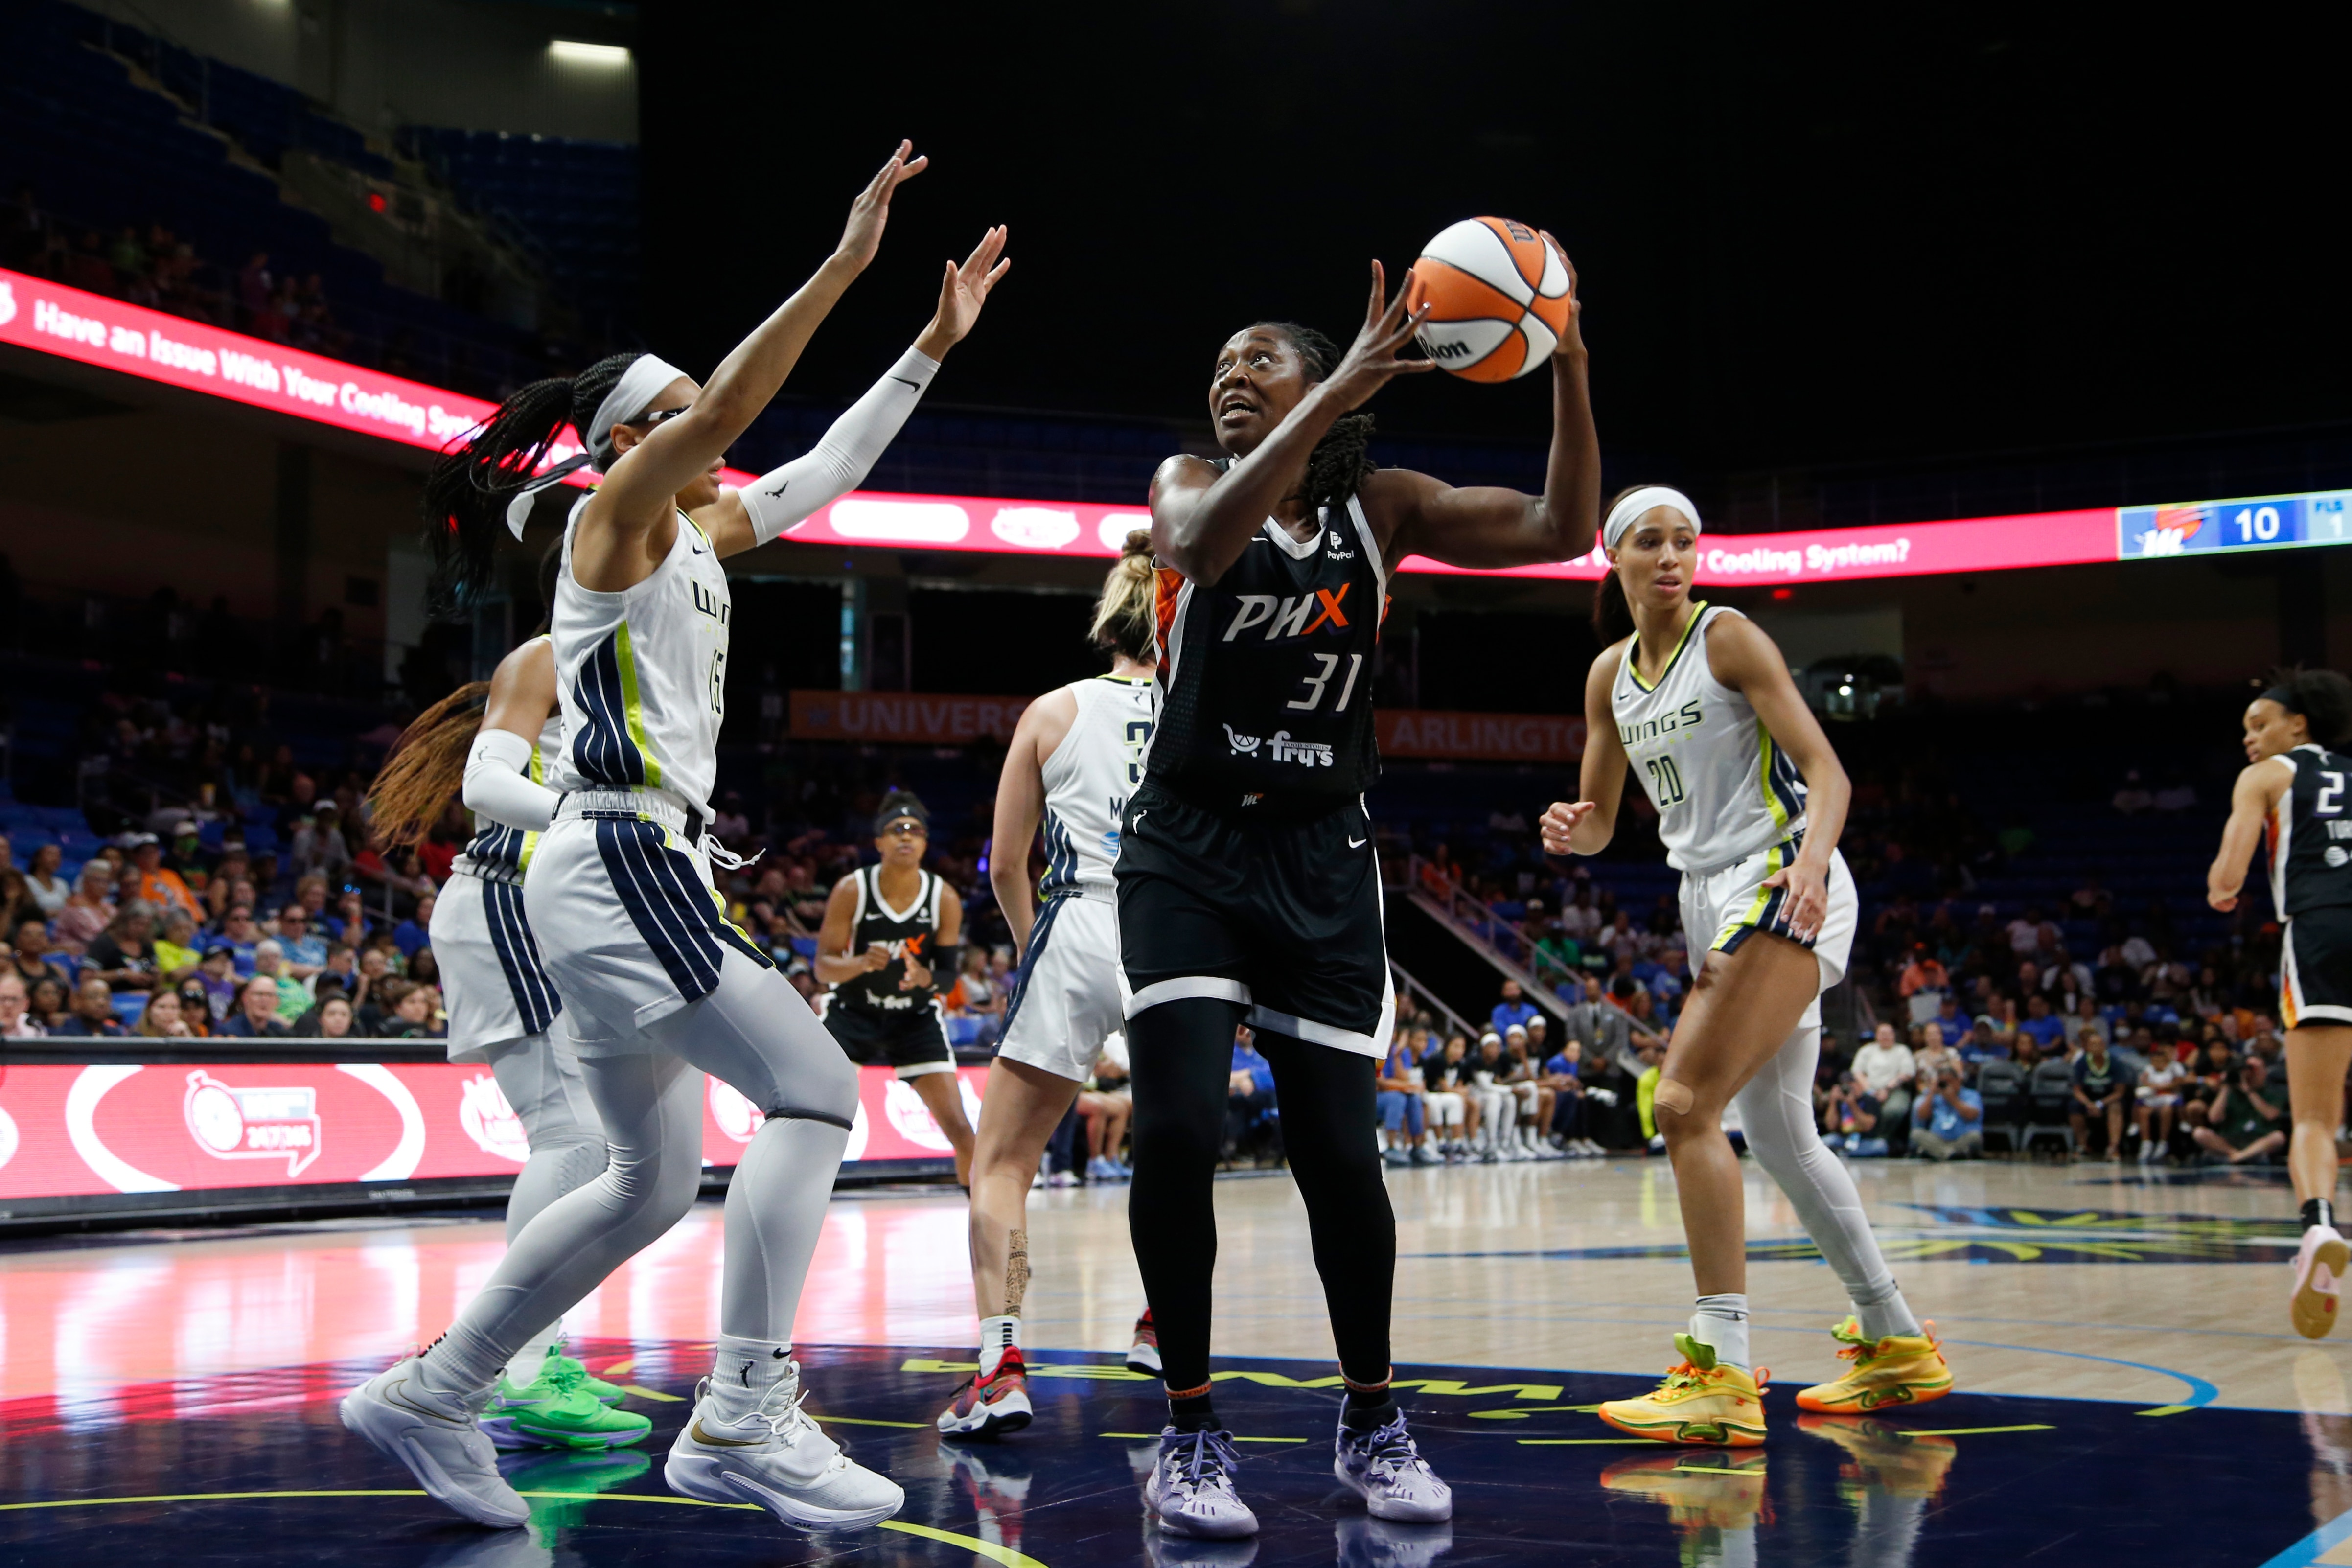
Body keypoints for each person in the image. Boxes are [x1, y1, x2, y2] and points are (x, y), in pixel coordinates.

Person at [340, 142, 1004, 1534]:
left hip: (618, 868)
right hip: (620, 853)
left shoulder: (694, 539)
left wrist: (928, 351)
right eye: (686, 410)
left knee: (648, 1182)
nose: (716, 423)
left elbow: (824, 463)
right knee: (817, 1088)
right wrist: (843, 264)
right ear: (630, 441)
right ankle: (745, 1407)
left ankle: (436, 1387)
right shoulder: (613, 519)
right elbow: (758, 399)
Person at [1123, 247, 1602, 1537]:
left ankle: (1371, 1414)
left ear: (1320, 374)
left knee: (1341, 1155)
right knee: (1173, 1129)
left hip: (1323, 856)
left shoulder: (1381, 508)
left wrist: (1566, 358)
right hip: (1186, 844)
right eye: (1221, 364)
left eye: (1255, 357)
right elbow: (1207, 550)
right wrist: (1325, 388)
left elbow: (1566, 531)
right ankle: (1187, 1431)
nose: (1231, 374)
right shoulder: (1186, 485)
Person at [1542, 486, 1951, 1449]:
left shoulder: (1727, 637)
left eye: (1687, 540)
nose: (1675, 555)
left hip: (1782, 874)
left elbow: (1829, 769)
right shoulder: (1611, 675)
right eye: (1653, 541)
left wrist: (1810, 867)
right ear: (1618, 559)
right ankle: (1895, 1337)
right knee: (1778, 1135)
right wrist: (1576, 829)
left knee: (1682, 1104)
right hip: (1705, 894)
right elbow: (1603, 821)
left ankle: (1720, 1363)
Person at [366, 611, 638, 1453]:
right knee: (574, 1138)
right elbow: (518, 796)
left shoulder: (632, 678)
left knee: (591, 1143)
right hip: (507, 902)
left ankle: (534, 1349)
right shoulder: (565, 658)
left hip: (547, 914)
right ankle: (518, 1360)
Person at [942, 539, 1163, 1438]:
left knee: (1001, 1164)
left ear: (1109, 618)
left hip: (1077, 920)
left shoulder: (1052, 709)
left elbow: (1004, 863)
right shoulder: (1205, 708)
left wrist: (1040, 948)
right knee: (1176, 1155)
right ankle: (1165, 1327)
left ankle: (1000, 1368)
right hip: (1173, 930)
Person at [2209, 669, 2352, 1337]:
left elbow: (2229, 876)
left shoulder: (2267, 777)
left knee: (2314, 1120)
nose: (2249, 738)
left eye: (2258, 723)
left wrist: (2221, 888)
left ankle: (2318, 1226)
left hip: (2321, 929)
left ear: (2298, 724)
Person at [815, 790, 975, 1185]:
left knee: (962, 1130)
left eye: (916, 831)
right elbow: (822, 968)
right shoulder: (852, 889)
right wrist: (860, 963)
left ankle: (984, 1231)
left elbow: (948, 978)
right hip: (852, 1013)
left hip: (915, 1019)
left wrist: (926, 978)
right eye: (897, 830)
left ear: (925, 843)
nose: (907, 837)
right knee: (813, 1123)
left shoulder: (944, 898)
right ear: (879, 842)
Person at [2192, 1053, 2290, 1167]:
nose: (2250, 1074)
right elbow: (2214, 1119)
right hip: (2230, 1140)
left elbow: (2271, 1115)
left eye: (2254, 1069)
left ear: (2264, 1072)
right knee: (2199, 1133)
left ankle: (2238, 1157)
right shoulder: (2231, 1092)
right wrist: (2226, 1087)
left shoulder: (2273, 1092)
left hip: (2259, 1140)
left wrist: (2248, 1091)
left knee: (2278, 1138)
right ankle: (2238, 1156)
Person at [2070, 1029, 2129, 1159]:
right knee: (2074, 1106)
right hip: (2089, 1100)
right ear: (2087, 1047)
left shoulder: (2115, 1063)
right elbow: (2077, 1090)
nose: (2095, 1047)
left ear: (2104, 1046)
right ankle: (2082, 1146)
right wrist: (2090, 1104)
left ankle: (2113, 1147)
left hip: (2108, 1099)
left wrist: (2100, 1104)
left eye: (2098, 1044)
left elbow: (2120, 1092)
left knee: (2116, 1106)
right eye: (2092, 1045)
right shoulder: (2082, 1063)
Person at [1911, 1068, 1983, 1161]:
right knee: (1916, 1134)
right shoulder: (1936, 1096)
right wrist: (1932, 1093)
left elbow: (1972, 1115)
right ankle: (1950, 1155)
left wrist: (1953, 1099)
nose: (1947, 1085)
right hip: (1938, 1141)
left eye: (1950, 1082)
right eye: (1943, 1082)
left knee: (1975, 1136)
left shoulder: (1971, 1095)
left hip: (1961, 1140)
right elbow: (1922, 1116)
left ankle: (1942, 1154)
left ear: (1958, 1081)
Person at [2137, 1041, 2187, 1163]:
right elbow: (2144, 1081)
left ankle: (2163, 1142)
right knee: (2143, 1111)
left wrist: (2161, 1087)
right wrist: (2152, 1086)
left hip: (2168, 1099)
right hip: (2154, 1098)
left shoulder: (2175, 1067)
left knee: (2167, 1111)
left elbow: (2178, 1083)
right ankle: (2146, 1143)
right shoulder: (2149, 1069)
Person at [52, 975, 128, 1037]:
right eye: (93, 997)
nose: (101, 1003)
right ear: (77, 1002)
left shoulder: (116, 1034)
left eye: (106, 998)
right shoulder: (64, 1035)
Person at [219, 974, 292, 1038]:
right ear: (245, 998)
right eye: (259, 994)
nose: (264, 1000)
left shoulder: (280, 1033)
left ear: (277, 1002)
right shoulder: (227, 1032)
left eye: (270, 995)